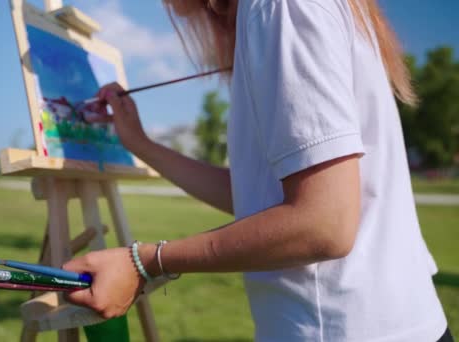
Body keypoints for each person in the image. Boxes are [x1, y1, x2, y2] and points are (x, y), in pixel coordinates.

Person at [63, 0, 453, 341]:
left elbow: (324, 223)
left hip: (343, 329)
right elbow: (259, 199)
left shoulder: (279, 6)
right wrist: (142, 145)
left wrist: (148, 261)